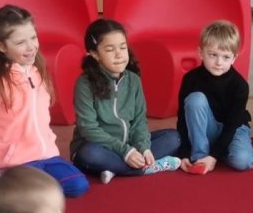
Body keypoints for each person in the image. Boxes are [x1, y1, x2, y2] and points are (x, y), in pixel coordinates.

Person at [0, 5, 90, 198]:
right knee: (37, 195)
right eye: (20, 42)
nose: (31, 47)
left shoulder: (37, 72)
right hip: (14, 162)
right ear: (1, 46)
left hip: (47, 156)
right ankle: (12, 186)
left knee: (78, 185)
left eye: (33, 38)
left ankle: (26, 191)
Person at [69, 19, 182, 184]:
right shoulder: (84, 84)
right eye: (110, 49)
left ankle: (114, 168)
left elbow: (139, 120)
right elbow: (89, 129)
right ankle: (145, 168)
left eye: (123, 47)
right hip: (98, 147)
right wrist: (125, 152)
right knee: (89, 154)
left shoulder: (133, 80)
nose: (119, 54)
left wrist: (144, 147)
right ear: (94, 54)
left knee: (174, 138)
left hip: (129, 144)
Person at [176, 20, 253, 174]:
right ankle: (200, 156)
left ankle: (216, 152)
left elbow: (232, 124)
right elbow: (182, 118)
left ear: (234, 58)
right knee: (195, 99)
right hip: (207, 127)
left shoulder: (240, 85)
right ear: (201, 53)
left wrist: (214, 156)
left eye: (226, 57)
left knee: (242, 161)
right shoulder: (190, 79)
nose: (219, 62)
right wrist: (184, 153)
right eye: (213, 55)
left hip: (234, 128)